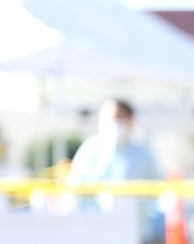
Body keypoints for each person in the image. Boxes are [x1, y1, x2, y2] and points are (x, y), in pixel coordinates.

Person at [64, 99, 160, 233]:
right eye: (106, 117)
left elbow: (156, 192)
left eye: (118, 117)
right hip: (93, 229)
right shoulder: (91, 148)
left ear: (130, 120)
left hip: (134, 230)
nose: (113, 122)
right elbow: (75, 187)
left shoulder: (143, 153)